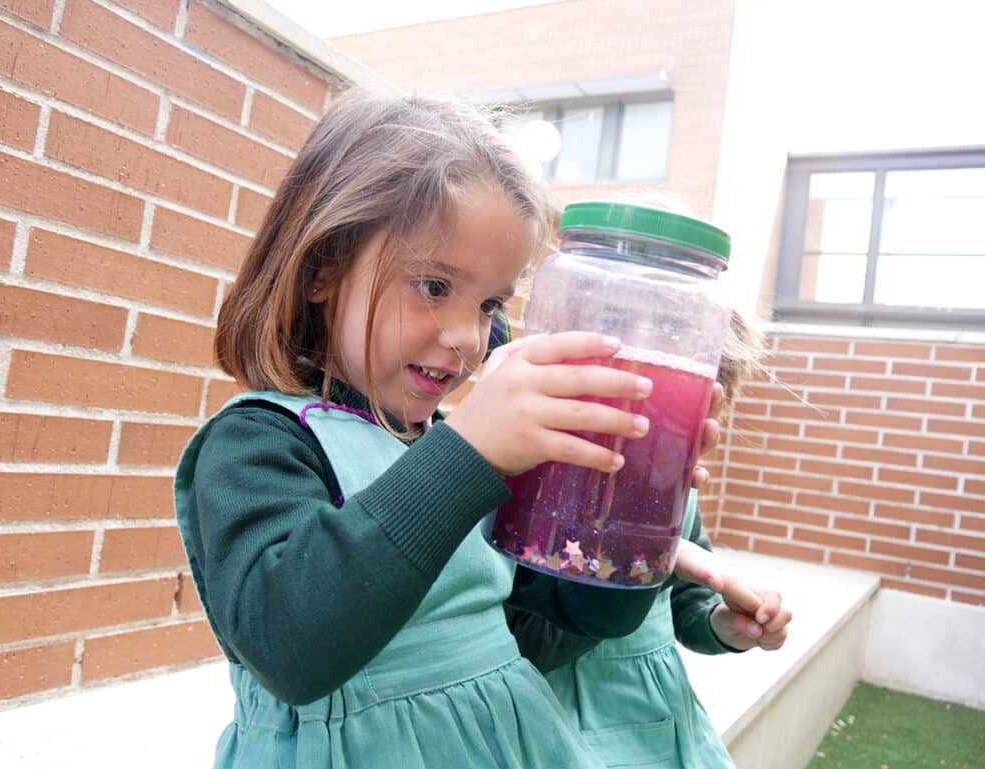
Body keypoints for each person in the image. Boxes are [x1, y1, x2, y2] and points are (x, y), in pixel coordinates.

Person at [173, 90, 726, 769]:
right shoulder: (261, 443)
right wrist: (465, 452)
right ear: (323, 267)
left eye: (491, 301)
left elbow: (554, 628)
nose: (472, 336)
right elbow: (291, 644)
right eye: (434, 285)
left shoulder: (462, 454)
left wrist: (633, 517)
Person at [508, 308, 793, 769]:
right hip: (555, 716)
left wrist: (720, 624)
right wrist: (637, 564)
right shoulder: (539, 483)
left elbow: (687, 600)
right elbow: (522, 636)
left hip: (656, 714)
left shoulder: (675, 493)